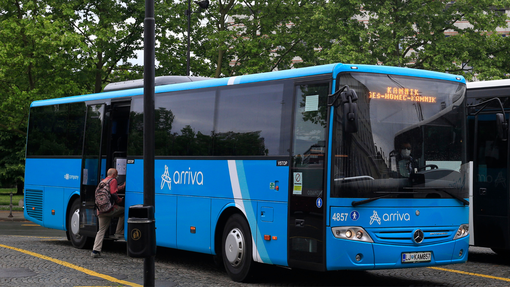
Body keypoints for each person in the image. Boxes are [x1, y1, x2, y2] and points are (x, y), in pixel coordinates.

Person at [91, 168, 126, 258]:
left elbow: (114, 189)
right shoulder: (113, 180)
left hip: (101, 210)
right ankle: (118, 232)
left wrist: (122, 186)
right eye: (117, 174)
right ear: (114, 175)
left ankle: (95, 251)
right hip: (110, 209)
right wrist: (119, 200)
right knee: (124, 212)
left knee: (101, 230)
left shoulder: (102, 182)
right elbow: (113, 192)